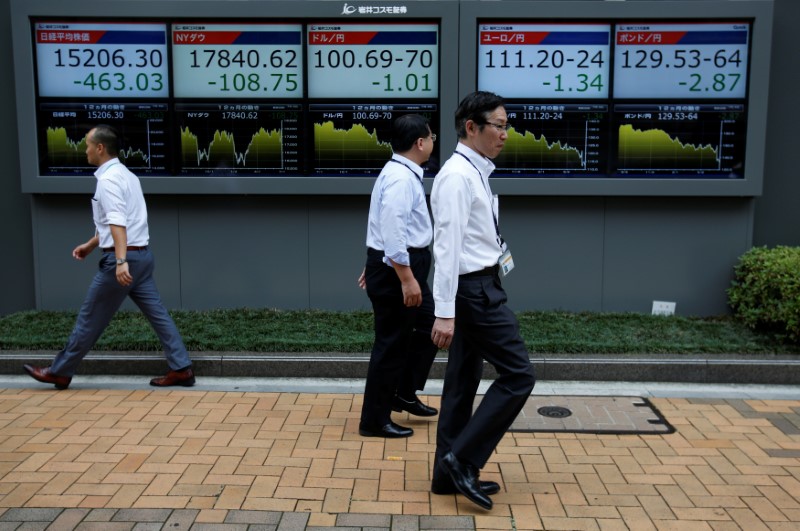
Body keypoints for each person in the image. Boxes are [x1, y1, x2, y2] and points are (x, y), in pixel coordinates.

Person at [24, 125, 195, 390]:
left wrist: (119, 260)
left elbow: (117, 222)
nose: (85, 150)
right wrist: (92, 244)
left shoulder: (107, 180)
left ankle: (60, 371)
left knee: (90, 317)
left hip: (125, 260)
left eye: (87, 145)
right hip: (143, 256)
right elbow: (118, 221)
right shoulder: (127, 175)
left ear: (100, 148)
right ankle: (182, 368)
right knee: (159, 315)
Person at [429, 92, 536, 510]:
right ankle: (463, 460)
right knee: (519, 375)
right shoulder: (457, 176)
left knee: (461, 383)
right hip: (474, 293)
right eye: (499, 126)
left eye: (507, 126)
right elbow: (446, 247)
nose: (505, 134)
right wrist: (444, 313)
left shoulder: (475, 171)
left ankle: (445, 475)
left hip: (478, 287)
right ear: (471, 127)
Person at [357, 114, 440, 439]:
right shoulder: (401, 179)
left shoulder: (400, 173)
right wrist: (404, 277)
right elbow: (392, 230)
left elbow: (382, 224)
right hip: (399, 269)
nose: (434, 141)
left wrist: (378, 259)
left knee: (430, 322)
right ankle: (374, 420)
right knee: (390, 344)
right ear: (420, 143)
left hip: (396, 264)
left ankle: (402, 391)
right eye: (431, 136)